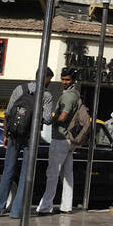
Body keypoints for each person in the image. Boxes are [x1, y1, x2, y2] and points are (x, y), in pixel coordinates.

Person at [0, 70, 54, 218]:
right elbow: (47, 119)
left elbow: (7, 113)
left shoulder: (19, 89)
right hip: (30, 138)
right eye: (50, 79)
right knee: (25, 174)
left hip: (14, 135)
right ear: (45, 78)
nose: (50, 82)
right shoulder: (46, 95)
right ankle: (16, 212)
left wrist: (6, 135)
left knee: (8, 170)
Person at [36, 68, 81, 215]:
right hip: (69, 140)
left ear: (73, 80)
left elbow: (63, 117)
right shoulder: (75, 94)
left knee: (52, 173)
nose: (64, 82)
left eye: (67, 80)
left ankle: (45, 207)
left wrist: (50, 120)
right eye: (62, 79)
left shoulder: (68, 96)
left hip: (61, 138)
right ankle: (66, 206)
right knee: (68, 175)